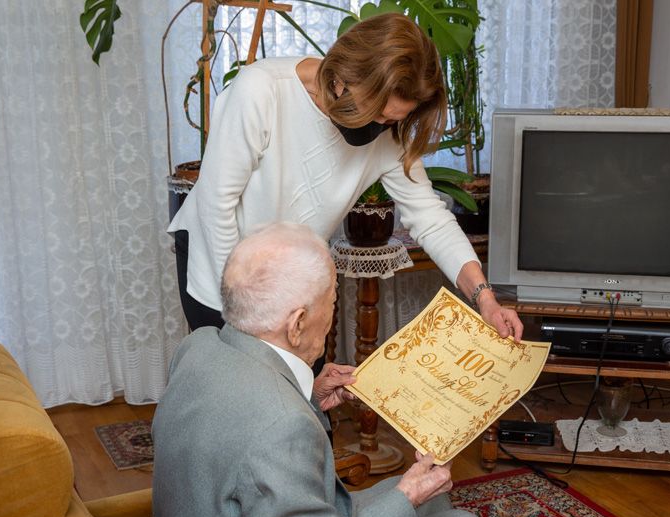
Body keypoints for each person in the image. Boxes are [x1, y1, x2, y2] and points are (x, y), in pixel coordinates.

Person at [151, 223, 499, 517]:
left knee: (432, 502)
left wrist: (309, 398)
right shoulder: (282, 425)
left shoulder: (198, 348)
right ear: (297, 324)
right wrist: (407, 496)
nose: (332, 312)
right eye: (332, 301)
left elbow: (243, 436)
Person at [168, 12, 523, 341]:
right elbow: (216, 206)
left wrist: (485, 299)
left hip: (290, 275)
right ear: (341, 79)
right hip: (220, 264)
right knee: (242, 378)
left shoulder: (390, 134)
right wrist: (246, 313)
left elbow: (432, 221)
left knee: (305, 381)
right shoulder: (262, 90)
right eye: (378, 114)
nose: (384, 127)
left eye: (394, 120)